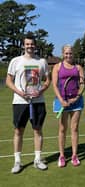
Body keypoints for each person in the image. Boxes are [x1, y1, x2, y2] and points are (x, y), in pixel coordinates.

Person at [6, 33, 50, 174]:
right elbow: (8, 81)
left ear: (35, 45)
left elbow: (47, 81)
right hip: (20, 102)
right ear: (23, 45)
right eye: (27, 44)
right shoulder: (15, 61)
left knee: (37, 130)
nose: (30, 46)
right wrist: (20, 93)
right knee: (18, 131)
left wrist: (41, 90)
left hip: (38, 101)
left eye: (32, 44)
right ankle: (17, 161)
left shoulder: (42, 62)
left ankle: (38, 159)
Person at [52, 45, 85, 167]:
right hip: (61, 102)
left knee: (74, 128)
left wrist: (76, 97)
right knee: (62, 129)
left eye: (70, 53)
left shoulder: (78, 68)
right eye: (66, 53)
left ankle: (74, 156)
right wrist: (61, 100)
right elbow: (54, 85)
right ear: (62, 54)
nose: (68, 55)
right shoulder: (57, 67)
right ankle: (62, 156)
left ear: (73, 54)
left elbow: (82, 84)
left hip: (76, 103)